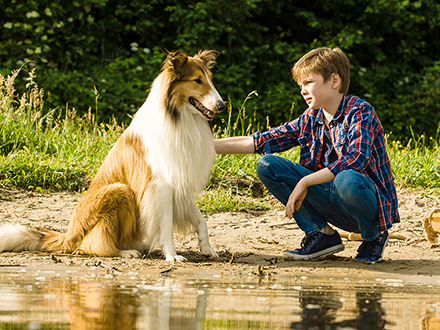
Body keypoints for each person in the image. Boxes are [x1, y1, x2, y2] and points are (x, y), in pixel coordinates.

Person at [214, 47, 400, 263]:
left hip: (366, 207)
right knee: (267, 165)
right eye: (300, 85)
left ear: (334, 81)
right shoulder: (311, 117)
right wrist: (204, 145)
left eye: (308, 82)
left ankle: (373, 237)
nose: (302, 90)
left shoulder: (359, 111)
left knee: (346, 178)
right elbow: (262, 140)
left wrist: (305, 181)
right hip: (333, 204)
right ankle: (321, 235)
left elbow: (355, 160)